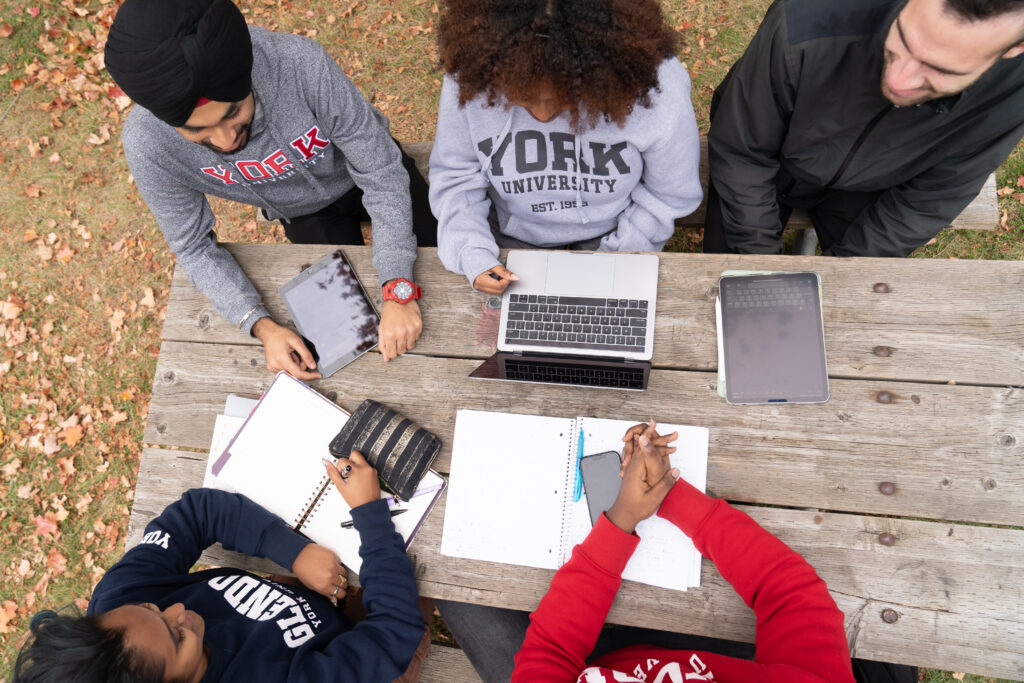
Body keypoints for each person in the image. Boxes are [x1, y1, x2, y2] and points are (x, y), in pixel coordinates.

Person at [104, 0, 438, 376]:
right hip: (304, 213)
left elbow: (379, 169)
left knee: (444, 278)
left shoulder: (299, 63)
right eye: (198, 132)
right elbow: (192, 246)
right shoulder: (149, 144)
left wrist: (397, 285)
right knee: (343, 346)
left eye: (233, 113)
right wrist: (260, 325)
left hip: (367, 173)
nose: (226, 140)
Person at [437, 422, 915, 683]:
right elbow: (789, 593)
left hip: (585, 662)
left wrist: (620, 521)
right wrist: (668, 497)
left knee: (453, 581)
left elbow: (552, 651)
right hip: (669, 659)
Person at [13, 452, 431, 683]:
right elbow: (394, 633)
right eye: (178, 639)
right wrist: (372, 516)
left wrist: (292, 551)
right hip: (375, 647)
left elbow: (198, 512)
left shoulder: (119, 600)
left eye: (152, 610)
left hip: (307, 590)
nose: (179, 612)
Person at [703, 0, 1024, 257]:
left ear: (1014, 49)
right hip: (768, 163)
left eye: (939, 69)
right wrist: (759, 262)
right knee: (731, 275)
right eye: (902, 37)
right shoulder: (808, 16)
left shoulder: (1015, 90)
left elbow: (934, 194)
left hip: (875, 188)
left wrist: (846, 274)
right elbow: (742, 151)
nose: (898, 80)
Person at [429, 0, 703, 295]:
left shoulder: (653, 85)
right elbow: (457, 176)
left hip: (616, 235)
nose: (543, 116)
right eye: (523, 98)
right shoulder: (476, 69)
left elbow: (667, 195)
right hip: (507, 244)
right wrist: (473, 252)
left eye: (562, 100)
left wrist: (618, 259)